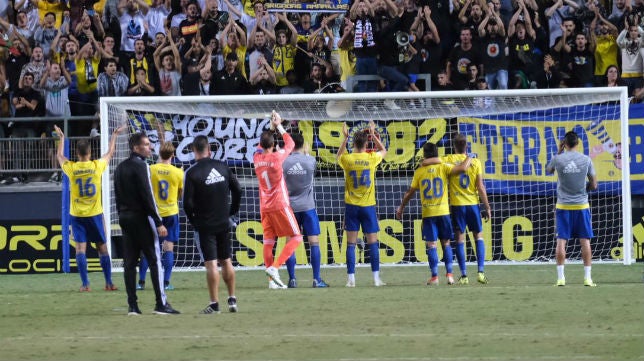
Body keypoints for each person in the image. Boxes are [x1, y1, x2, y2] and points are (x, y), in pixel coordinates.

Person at [114, 132, 181, 315]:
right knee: (154, 259)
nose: (149, 147)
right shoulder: (142, 166)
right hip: (141, 218)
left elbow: (117, 196)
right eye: (145, 144)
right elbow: (147, 196)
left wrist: (122, 215)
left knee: (129, 262)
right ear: (136, 148)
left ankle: (133, 306)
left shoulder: (120, 167)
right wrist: (158, 222)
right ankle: (161, 303)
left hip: (125, 218)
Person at [54, 123, 126, 292]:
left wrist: (62, 138)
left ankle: (85, 284)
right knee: (102, 247)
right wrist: (114, 135)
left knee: (80, 248)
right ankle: (108, 283)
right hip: (95, 214)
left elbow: (59, 156)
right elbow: (110, 153)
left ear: (77, 154)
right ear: (90, 153)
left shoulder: (71, 168)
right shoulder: (96, 166)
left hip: (77, 214)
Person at [396, 142, 471, 286]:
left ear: (424, 154)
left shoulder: (419, 172)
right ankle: (450, 275)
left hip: (428, 213)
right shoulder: (443, 166)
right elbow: (462, 168)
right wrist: (470, 157)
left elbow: (409, 193)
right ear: (437, 153)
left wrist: (401, 207)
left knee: (431, 245)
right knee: (446, 243)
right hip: (443, 211)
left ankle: (435, 276)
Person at [184, 135, 242, 314]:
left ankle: (214, 303)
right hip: (223, 221)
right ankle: (232, 299)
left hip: (205, 224)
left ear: (194, 151)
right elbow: (238, 190)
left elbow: (187, 204)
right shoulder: (222, 166)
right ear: (209, 150)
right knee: (226, 261)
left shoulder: (192, 173)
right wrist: (231, 211)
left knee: (211, 264)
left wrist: (194, 221)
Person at [254, 111, 303, 289]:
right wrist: (280, 125)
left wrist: (271, 128)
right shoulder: (276, 157)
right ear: (273, 144)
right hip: (280, 204)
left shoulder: (256, 158)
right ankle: (275, 268)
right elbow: (290, 143)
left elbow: (262, 144)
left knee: (268, 242)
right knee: (296, 237)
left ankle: (271, 282)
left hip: (264, 207)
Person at [336, 121, 387, 287]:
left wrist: (345, 139)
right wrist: (373, 135)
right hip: (368, 206)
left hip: (351, 207)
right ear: (366, 144)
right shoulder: (371, 158)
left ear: (353, 144)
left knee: (350, 244)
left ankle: (351, 279)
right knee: (373, 242)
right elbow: (384, 151)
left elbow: (338, 156)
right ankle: (376, 279)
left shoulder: (348, 159)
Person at [546, 131, 598, 287]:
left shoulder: (558, 159)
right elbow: (594, 185)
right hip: (582, 206)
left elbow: (549, 170)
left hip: (563, 206)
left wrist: (558, 152)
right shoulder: (586, 159)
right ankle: (587, 279)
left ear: (565, 143)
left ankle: (561, 278)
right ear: (578, 143)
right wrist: (584, 190)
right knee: (585, 242)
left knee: (561, 241)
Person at [442, 134, 491, 284]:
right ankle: (481, 272)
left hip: (457, 206)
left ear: (454, 147)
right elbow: (480, 187)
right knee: (479, 237)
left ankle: (464, 275)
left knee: (459, 240)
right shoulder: (475, 161)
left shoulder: (448, 159)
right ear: (467, 147)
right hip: (473, 205)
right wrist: (487, 207)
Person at [282, 132, 329, 289]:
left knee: (290, 243)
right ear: (303, 144)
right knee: (314, 242)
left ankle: (292, 279)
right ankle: (316, 279)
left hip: (291, 208)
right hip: (308, 207)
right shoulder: (311, 160)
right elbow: (309, 164)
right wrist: (307, 153)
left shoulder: (285, 162)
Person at [138, 140, 184, 291]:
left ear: (159, 153)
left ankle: (141, 282)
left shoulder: (150, 169)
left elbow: (145, 189)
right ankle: (166, 282)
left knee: (148, 248)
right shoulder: (178, 172)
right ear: (173, 154)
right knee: (168, 247)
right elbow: (180, 194)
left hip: (153, 214)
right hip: (171, 213)